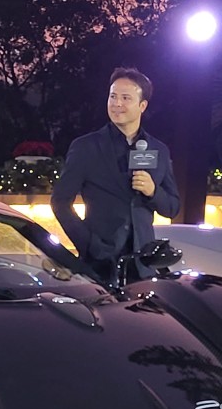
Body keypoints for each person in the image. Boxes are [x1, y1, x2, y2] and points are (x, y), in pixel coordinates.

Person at [51, 67, 180, 283]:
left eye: (125, 98)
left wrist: (153, 191)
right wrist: (89, 244)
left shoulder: (158, 150)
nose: (116, 103)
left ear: (142, 106)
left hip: (143, 267)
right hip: (99, 267)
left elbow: (173, 207)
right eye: (113, 97)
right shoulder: (86, 147)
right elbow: (60, 201)